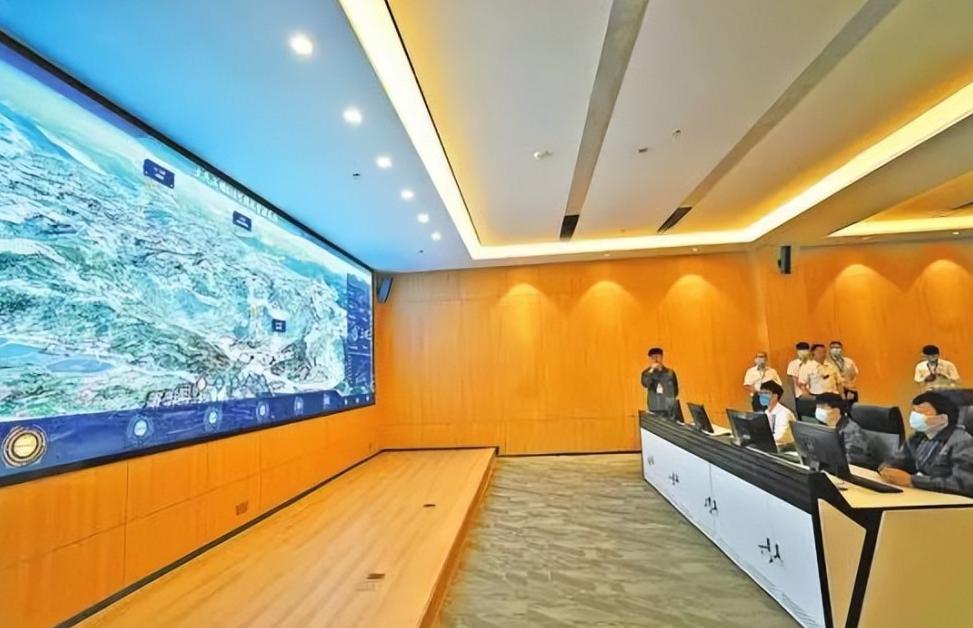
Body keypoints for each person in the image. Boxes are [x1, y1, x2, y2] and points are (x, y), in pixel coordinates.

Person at [879, 392, 973, 496]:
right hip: (921, 494)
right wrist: (887, 468)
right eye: (915, 412)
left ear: (942, 418)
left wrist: (912, 480)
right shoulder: (918, 437)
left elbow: (963, 484)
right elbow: (898, 459)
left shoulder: (962, 441)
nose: (916, 417)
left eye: (924, 413)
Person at [814, 393, 880, 469]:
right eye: (817, 408)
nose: (818, 411)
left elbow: (852, 460)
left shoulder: (852, 431)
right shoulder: (824, 428)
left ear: (836, 410)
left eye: (822, 407)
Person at [641, 347, 679, 419]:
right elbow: (645, 383)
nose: (655, 359)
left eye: (657, 356)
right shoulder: (647, 373)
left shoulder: (670, 373)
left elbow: (676, 391)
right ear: (650, 359)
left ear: (662, 357)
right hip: (654, 408)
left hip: (669, 408)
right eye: (653, 357)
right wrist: (651, 370)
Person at [759, 381, 794, 448]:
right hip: (771, 446)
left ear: (775, 396)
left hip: (785, 448)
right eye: (761, 393)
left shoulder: (785, 413)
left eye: (766, 393)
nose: (762, 396)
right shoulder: (766, 412)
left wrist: (762, 439)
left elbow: (780, 436)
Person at [828, 340, 860, 405]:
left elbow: (854, 375)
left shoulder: (849, 361)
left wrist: (850, 387)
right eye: (833, 347)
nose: (836, 349)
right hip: (835, 391)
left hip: (849, 390)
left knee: (852, 408)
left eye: (838, 347)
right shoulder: (827, 363)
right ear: (830, 350)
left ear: (841, 349)